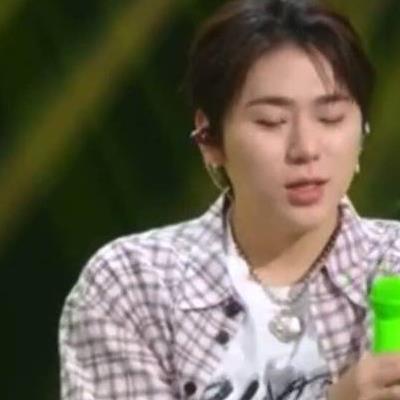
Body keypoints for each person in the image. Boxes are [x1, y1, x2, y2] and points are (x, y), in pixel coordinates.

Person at [59, 0, 400, 399]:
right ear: (209, 137)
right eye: (271, 122)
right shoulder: (132, 284)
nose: (306, 148)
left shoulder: (392, 262)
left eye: (331, 118)